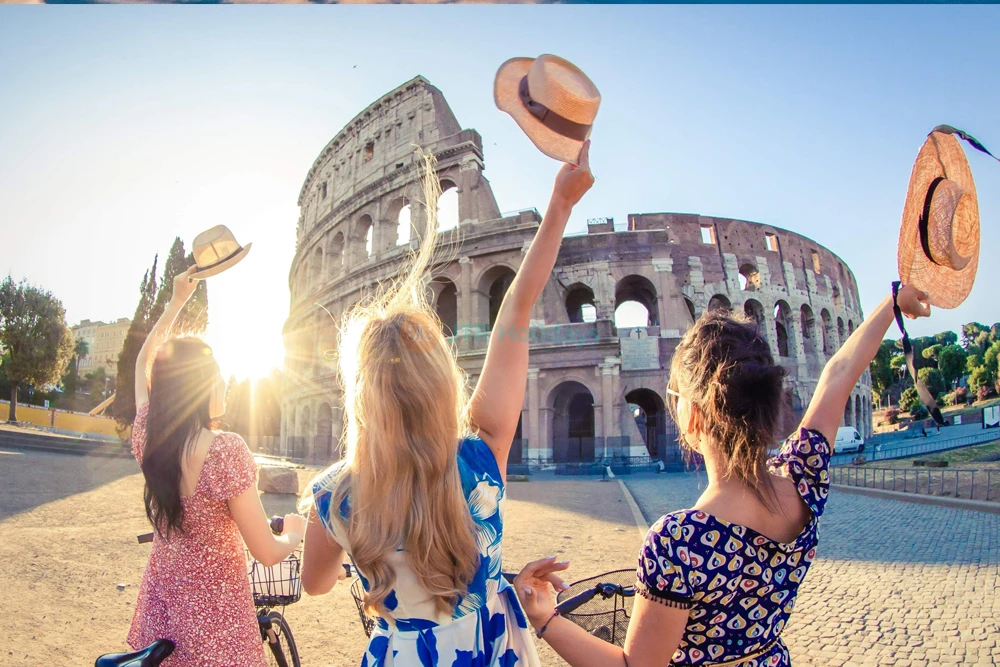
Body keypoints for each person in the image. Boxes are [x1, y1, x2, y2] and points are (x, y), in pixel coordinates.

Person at [514, 284, 930, 666]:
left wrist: (544, 618)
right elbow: (840, 373)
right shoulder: (805, 476)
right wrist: (891, 305)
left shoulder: (679, 540)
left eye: (673, 397)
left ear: (692, 414)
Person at [299, 144, 595, 666]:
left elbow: (316, 584)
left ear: (362, 397)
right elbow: (517, 308)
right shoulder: (479, 459)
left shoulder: (332, 493)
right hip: (487, 649)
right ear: (443, 385)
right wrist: (560, 206)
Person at [127, 266, 305, 667]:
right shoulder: (225, 450)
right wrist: (293, 534)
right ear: (203, 386)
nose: (223, 379)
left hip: (160, 618)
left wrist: (175, 303)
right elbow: (265, 551)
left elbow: (142, 365)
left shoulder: (147, 440)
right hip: (218, 630)